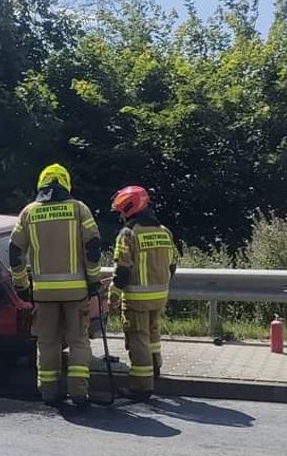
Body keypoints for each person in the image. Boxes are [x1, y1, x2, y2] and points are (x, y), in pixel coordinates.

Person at [9, 163, 102, 409]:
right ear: (66, 183)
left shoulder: (28, 213)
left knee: (47, 342)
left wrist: (21, 285)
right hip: (76, 292)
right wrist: (93, 281)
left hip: (43, 293)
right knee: (78, 340)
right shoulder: (79, 209)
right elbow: (93, 247)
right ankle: (79, 393)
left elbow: (15, 252)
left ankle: (49, 392)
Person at [108, 185, 177, 401]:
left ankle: (141, 386)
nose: (120, 216)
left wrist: (114, 294)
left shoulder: (128, 234)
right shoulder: (165, 231)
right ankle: (155, 368)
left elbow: (123, 269)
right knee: (153, 333)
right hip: (160, 295)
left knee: (138, 339)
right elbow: (172, 265)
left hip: (137, 298)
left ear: (129, 209)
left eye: (121, 211)